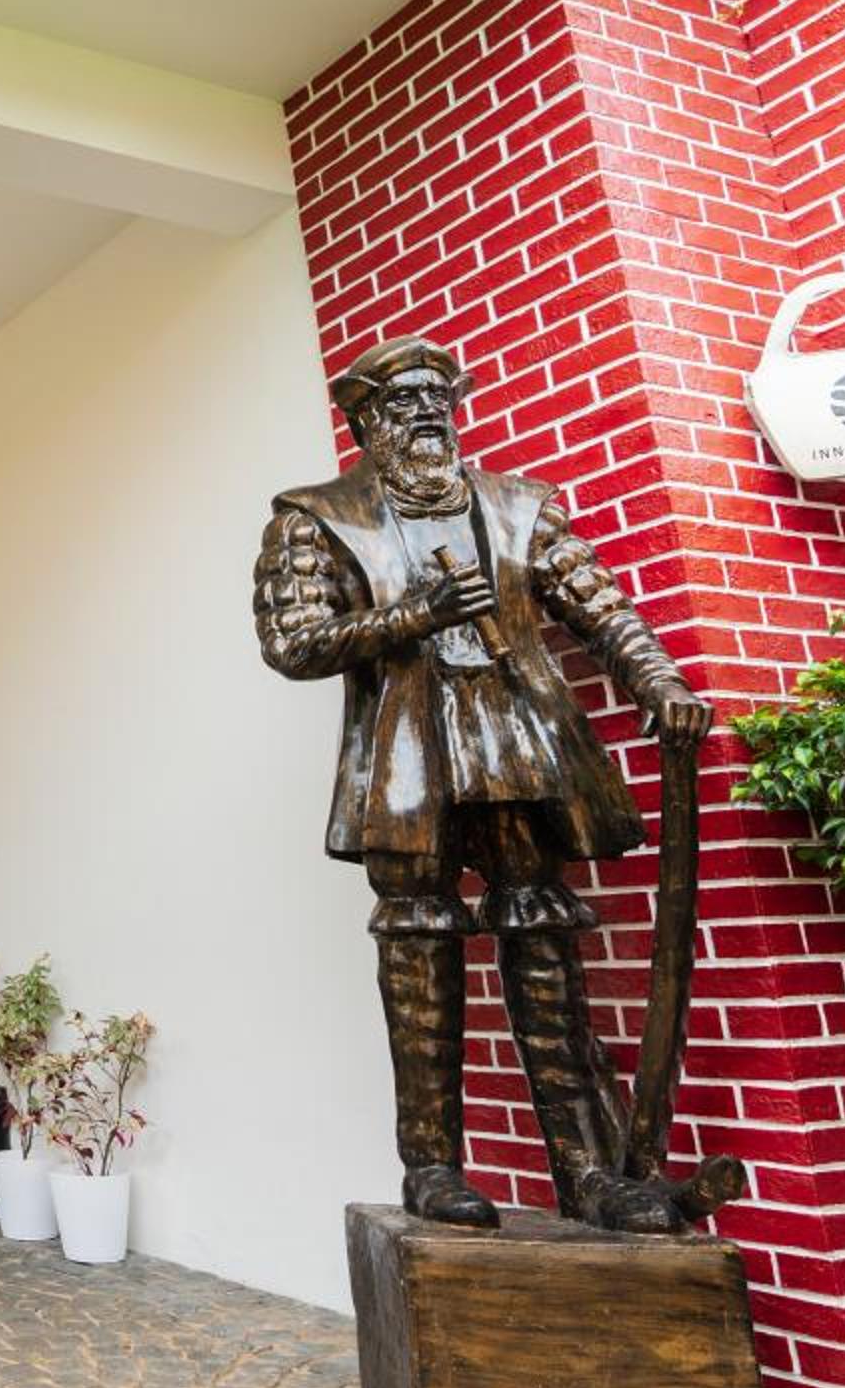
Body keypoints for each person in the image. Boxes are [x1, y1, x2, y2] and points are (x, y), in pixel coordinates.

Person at [255, 337, 713, 1232]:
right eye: (403, 402)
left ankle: (588, 1169)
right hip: (407, 758)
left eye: (440, 399)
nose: (428, 414)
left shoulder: (517, 506)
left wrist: (658, 683)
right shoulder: (315, 517)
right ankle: (431, 1166)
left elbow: (600, 606)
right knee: (418, 952)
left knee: (545, 951)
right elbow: (292, 642)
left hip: (518, 741)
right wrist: (411, 617)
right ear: (366, 422)